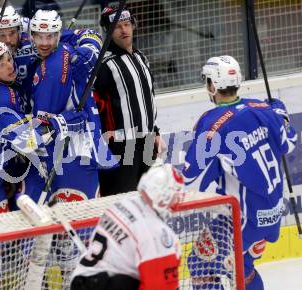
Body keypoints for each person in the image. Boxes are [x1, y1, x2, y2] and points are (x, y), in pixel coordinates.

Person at [182, 55, 297, 290]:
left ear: (213, 85)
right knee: (243, 268)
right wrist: (280, 112)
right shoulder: (263, 108)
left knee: (200, 265)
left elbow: (188, 176)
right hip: (273, 214)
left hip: (243, 219)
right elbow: (290, 140)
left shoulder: (213, 123)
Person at [0, 39, 87, 218]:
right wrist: (62, 123)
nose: (10, 66)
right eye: (1, 64)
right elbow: (27, 141)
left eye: (8, 58)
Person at [18, 9, 106, 204]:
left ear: (58, 35)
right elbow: (89, 35)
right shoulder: (64, 47)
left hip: (71, 153)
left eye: (50, 36)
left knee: (77, 217)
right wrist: (92, 49)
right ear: (30, 36)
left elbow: (43, 125)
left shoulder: (53, 67)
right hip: (75, 150)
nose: (44, 43)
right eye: (39, 37)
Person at [70, 162, 184, 290]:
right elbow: (160, 287)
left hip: (81, 278)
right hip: (99, 283)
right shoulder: (155, 232)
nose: (179, 199)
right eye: (176, 193)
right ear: (164, 195)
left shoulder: (123, 203)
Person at [93, 5, 166, 196]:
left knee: (153, 199)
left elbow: (148, 99)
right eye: (117, 27)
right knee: (123, 202)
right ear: (108, 31)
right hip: (122, 145)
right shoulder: (104, 65)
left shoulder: (141, 57)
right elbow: (95, 106)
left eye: (127, 24)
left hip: (148, 141)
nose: (124, 30)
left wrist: (155, 131)